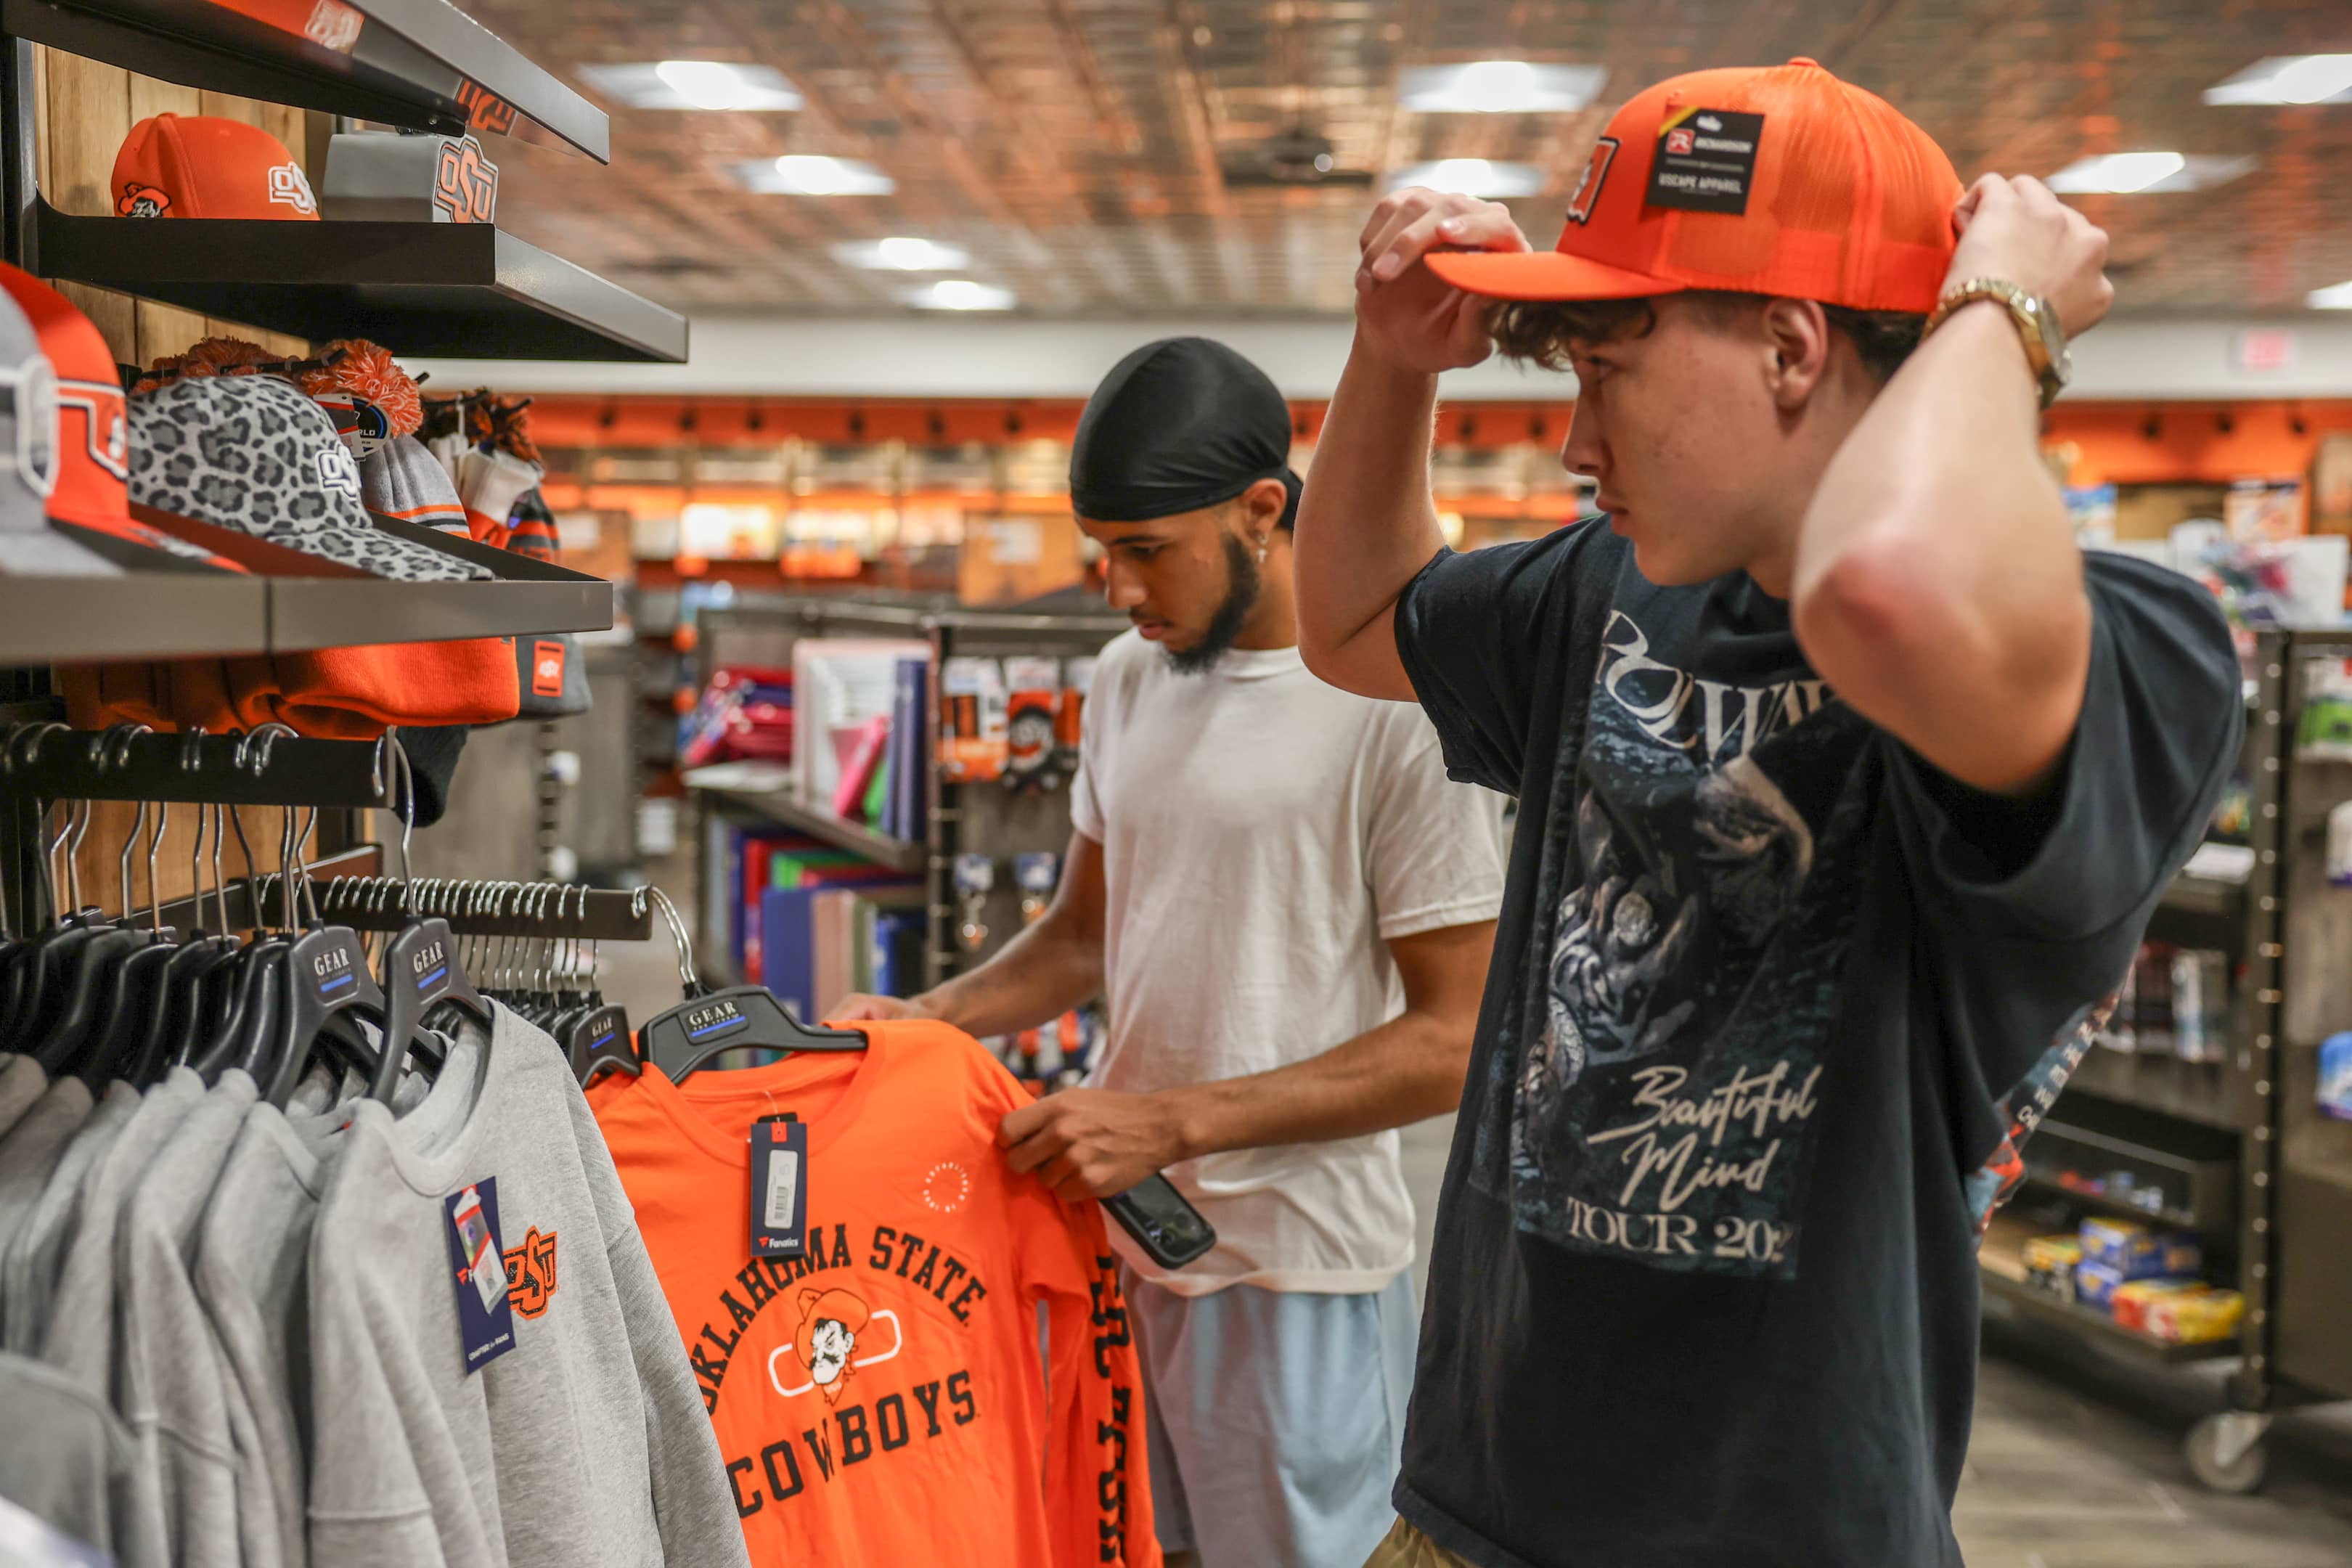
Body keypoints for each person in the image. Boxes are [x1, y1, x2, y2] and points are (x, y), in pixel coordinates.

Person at [1294, 58, 2243, 1568]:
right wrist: (1392, 363)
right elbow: (1347, 622)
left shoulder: (2123, 642)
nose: (1571, 443)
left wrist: (2004, 314)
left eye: (1607, 370)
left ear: (1793, 347)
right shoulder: (1613, 587)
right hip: (1472, 1508)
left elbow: (1883, 591)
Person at [836, 337, 1506, 1568]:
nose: (1116, 587)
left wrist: (1172, 1123)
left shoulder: (1403, 706)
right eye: (1104, 551)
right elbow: (1083, 937)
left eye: (1148, 551)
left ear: (1263, 512)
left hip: (1298, 1272)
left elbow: (1457, 1038)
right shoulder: (1126, 679)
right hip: (1123, 1246)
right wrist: (923, 1023)